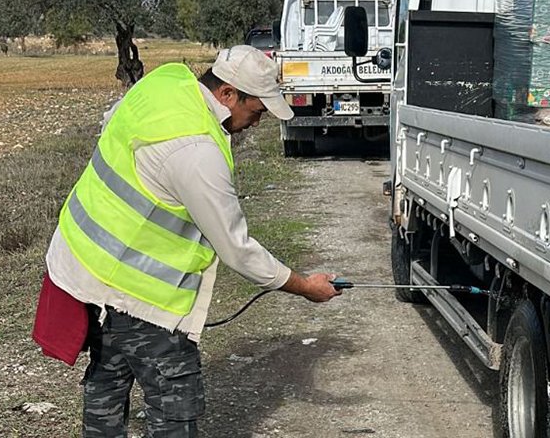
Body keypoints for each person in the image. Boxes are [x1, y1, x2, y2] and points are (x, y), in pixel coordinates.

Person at [34, 45, 340, 437]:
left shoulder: (166, 82)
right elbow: (237, 249)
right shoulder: (197, 151)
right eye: (257, 110)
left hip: (85, 268)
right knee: (174, 403)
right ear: (227, 93)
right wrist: (305, 286)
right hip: (139, 296)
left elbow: (112, 122)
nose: (256, 122)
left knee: (106, 384)